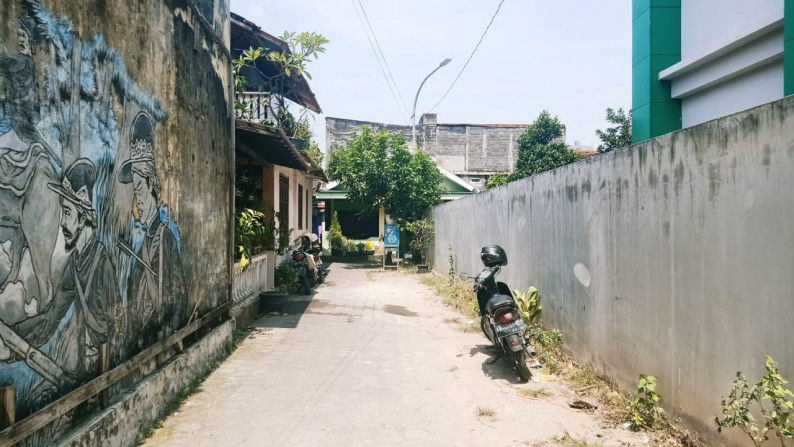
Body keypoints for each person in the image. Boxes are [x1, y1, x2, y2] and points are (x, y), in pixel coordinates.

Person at [0, 159, 121, 396]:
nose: (62, 222)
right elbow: (52, 315)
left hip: (103, 368)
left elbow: (117, 323)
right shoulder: (75, 263)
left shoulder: (101, 261)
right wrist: (13, 340)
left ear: (84, 216)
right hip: (81, 365)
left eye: (67, 213)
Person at [118, 113, 187, 350]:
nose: (137, 199)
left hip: (158, 334)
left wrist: (171, 328)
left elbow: (178, 291)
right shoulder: (145, 241)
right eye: (135, 192)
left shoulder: (164, 237)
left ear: (154, 188)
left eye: (140, 189)